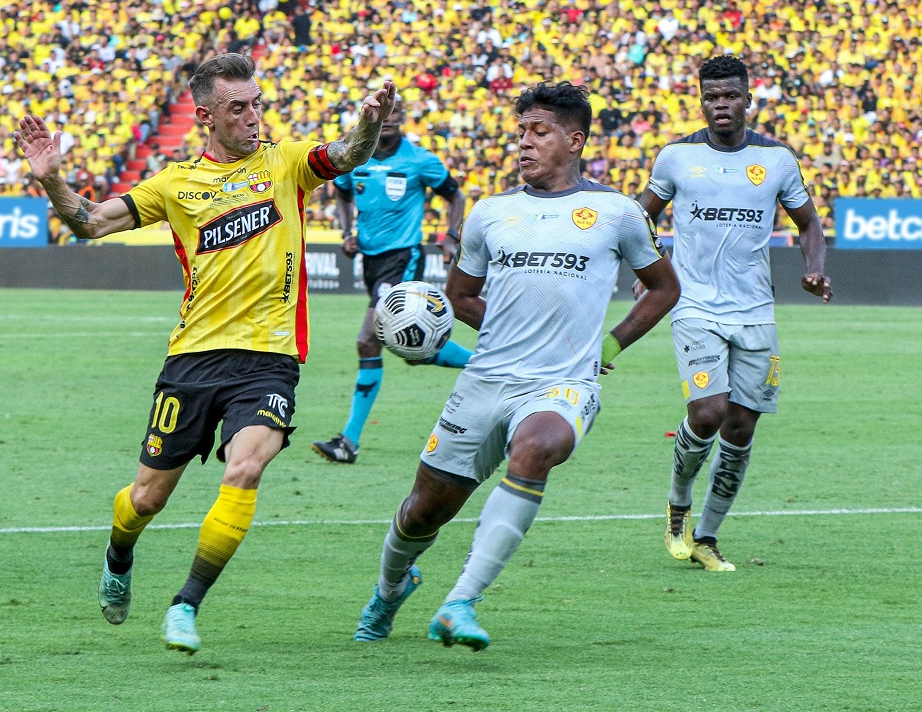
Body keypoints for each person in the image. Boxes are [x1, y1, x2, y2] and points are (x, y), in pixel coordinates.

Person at [13, 53, 398, 653]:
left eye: (257, 104)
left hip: (269, 359)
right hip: (192, 360)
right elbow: (89, 222)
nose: (252, 117)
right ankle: (119, 555)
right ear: (205, 116)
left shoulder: (287, 162)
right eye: (238, 108)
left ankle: (185, 604)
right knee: (146, 499)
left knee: (245, 466)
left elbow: (348, 153)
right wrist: (51, 179)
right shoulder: (174, 183)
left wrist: (371, 122)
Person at [352, 81, 680, 650]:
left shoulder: (616, 212)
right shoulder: (491, 213)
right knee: (422, 512)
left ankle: (460, 602)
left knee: (536, 447)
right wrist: (506, 327)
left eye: (539, 132)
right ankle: (388, 590)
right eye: (521, 132)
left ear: (575, 140)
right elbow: (461, 296)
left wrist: (610, 345)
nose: (524, 143)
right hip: (485, 382)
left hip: (562, 384)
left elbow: (662, 288)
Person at [633, 56, 832, 572]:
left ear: (748, 99)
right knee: (707, 412)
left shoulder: (778, 160)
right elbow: (640, 218)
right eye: (711, 97)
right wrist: (647, 267)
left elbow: (810, 224)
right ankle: (678, 505)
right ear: (702, 101)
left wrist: (814, 269)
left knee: (741, 427)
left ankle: (708, 536)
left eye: (730, 96)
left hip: (756, 311)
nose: (721, 105)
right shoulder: (677, 157)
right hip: (694, 302)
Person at [311, 95, 472, 465]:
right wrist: (347, 231)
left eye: (398, 113)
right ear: (373, 117)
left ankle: (348, 441)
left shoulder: (420, 160)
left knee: (368, 341)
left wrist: (451, 236)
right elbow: (342, 194)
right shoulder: (356, 156)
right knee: (417, 354)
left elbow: (455, 194)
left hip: (404, 257)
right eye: (387, 112)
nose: (393, 118)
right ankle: (489, 364)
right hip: (371, 260)